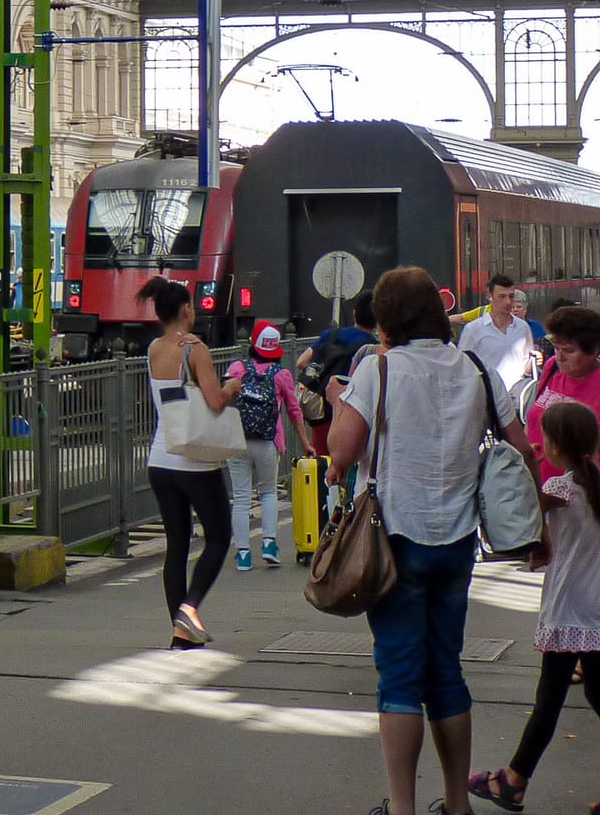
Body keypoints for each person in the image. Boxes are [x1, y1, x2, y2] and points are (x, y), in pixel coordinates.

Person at [330, 265, 539, 815]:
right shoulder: (473, 367)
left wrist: (336, 400)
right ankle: (456, 803)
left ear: (387, 319)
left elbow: (342, 452)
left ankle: (401, 806)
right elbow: (519, 443)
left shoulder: (379, 370)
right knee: (446, 669)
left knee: (399, 673)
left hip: (395, 540)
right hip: (458, 542)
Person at [468, 402, 600, 815]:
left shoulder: (559, 490)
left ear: (554, 444)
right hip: (599, 608)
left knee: (548, 700)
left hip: (568, 608)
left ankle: (512, 781)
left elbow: (517, 513)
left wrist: (527, 463)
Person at [141, 275, 238, 648]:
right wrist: (232, 386)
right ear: (185, 310)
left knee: (177, 546)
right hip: (194, 462)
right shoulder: (194, 348)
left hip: (161, 458)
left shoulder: (153, 349)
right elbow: (215, 401)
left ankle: (180, 632)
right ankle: (190, 608)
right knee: (218, 536)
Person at [529, 305, 600, 568]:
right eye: (556, 348)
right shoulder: (551, 371)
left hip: (587, 502)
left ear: (593, 350)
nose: (560, 356)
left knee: (576, 578)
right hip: (547, 497)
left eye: (569, 351)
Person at [225, 322, 311, 570]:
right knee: (268, 492)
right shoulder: (281, 375)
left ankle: (242, 555)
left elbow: (223, 401)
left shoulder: (237, 369)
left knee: (241, 498)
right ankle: (269, 545)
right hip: (268, 441)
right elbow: (295, 412)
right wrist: (305, 443)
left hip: (237, 442)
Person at [298, 290, 378, 456]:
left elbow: (301, 362)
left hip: (322, 410)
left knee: (322, 461)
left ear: (354, 314)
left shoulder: (331, 335)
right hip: (352, 414)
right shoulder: (373, 348)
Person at [459, 274, 539, 405]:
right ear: (489, 296)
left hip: (516, 399)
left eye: (511, 296)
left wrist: (535, 360)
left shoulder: (523, 328)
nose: (508, 302)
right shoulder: (473, 330)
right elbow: (463, 368)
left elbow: (526, 366)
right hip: (487, 398)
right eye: (502, 296)